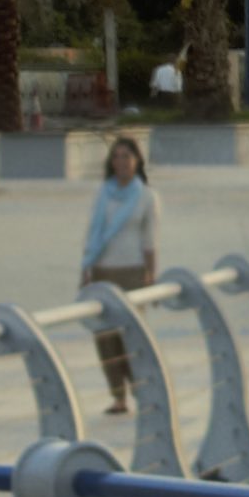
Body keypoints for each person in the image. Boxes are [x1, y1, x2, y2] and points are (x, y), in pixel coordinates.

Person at [79, 124, 160, 416]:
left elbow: (150, 240)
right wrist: (85, 270)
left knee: (131, 337)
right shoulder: (103, 193)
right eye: (117, 157)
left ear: (137, 161)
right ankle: (118, 396)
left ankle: (141, 391)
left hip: (132, 274)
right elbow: (93, 234)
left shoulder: (146, 197)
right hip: (102, 271)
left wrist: (151, 276)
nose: (122, 162)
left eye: (127, 156)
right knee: (105, 338)